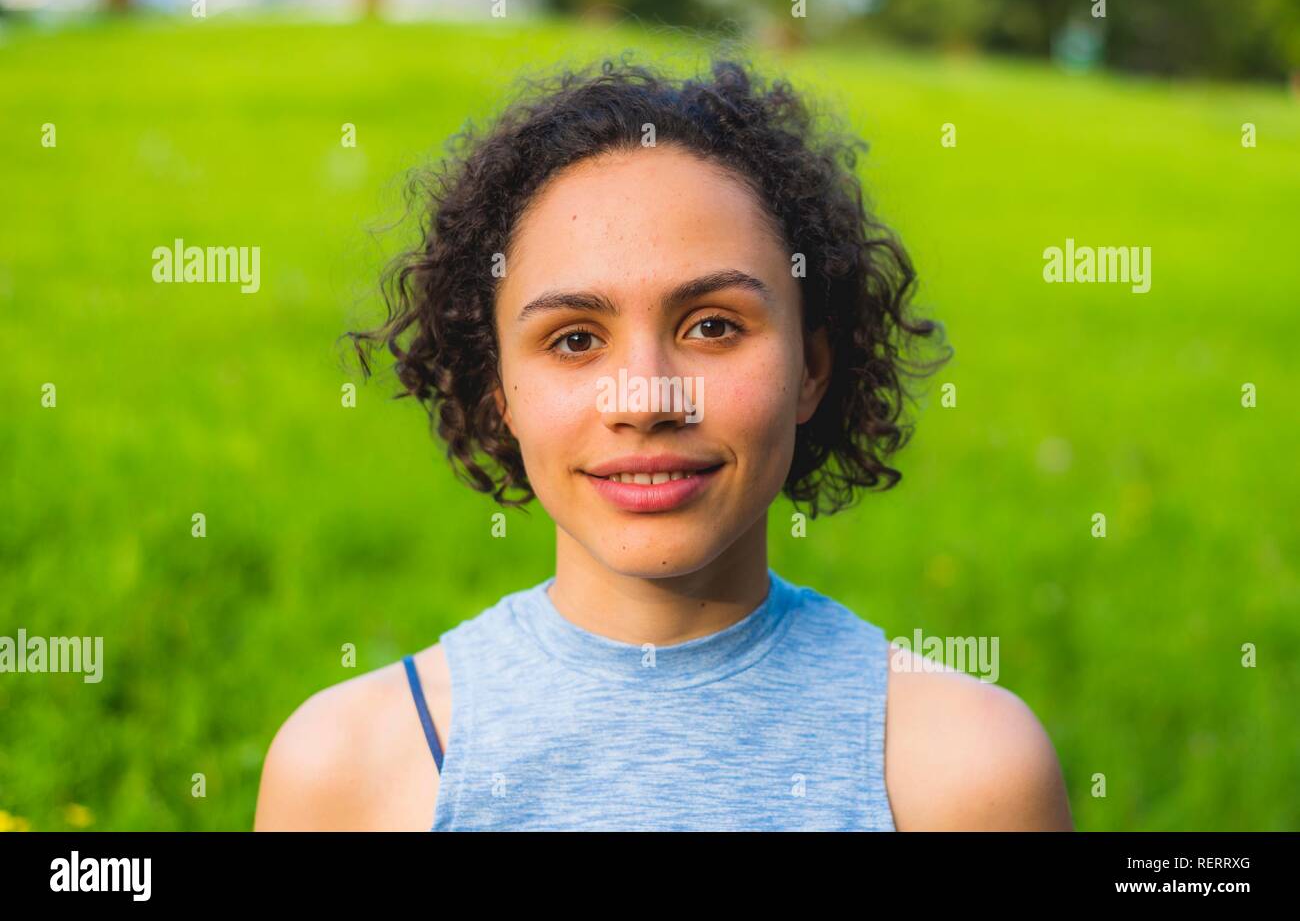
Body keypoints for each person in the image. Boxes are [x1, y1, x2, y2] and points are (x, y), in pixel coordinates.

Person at [254, 52, 1073, 831]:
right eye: (574, 340)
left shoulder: (968, 770)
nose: (644, 398)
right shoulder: (344, 770)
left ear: (812, 368)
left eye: (714, 326)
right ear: (500, 390)